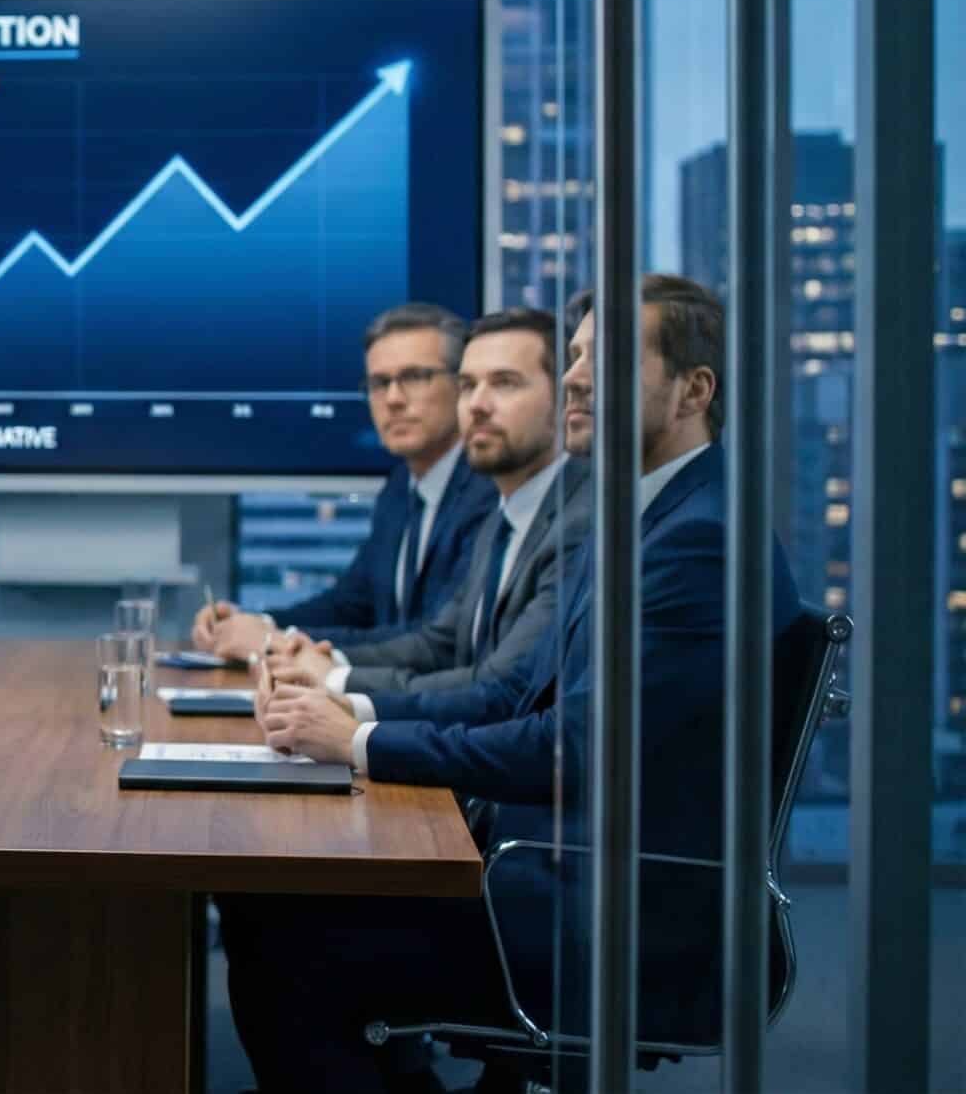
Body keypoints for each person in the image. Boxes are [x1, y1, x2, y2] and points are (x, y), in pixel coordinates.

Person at [227, 275, 801, 1089]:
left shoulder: (695, 542)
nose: (574, 377)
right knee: (271, 903)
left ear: (692, 390)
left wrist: (356, 740)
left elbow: (570, 746)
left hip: (613, 914)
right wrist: (350, 714)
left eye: (601, 357)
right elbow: (512, 691)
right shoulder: (646, 520)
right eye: (571, 356)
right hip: (564, 871)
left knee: (287, 939)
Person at [268, 308, 591, 697]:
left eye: (505, 383)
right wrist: (310, 654)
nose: (478, 405)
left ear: (566, 398)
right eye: (468, 385)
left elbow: (504, 688)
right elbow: (439, 642)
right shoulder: (499, 511)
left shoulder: (576, 519)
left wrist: (336, 680)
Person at [192, 302, 498, 661]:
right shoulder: (401, 487)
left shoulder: (488, 492)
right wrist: (253, 622)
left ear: (463, 385)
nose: (394, 399)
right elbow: (351, 604)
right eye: (379, 383)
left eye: (415, 377)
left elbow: (437, 639)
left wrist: (273, 640)